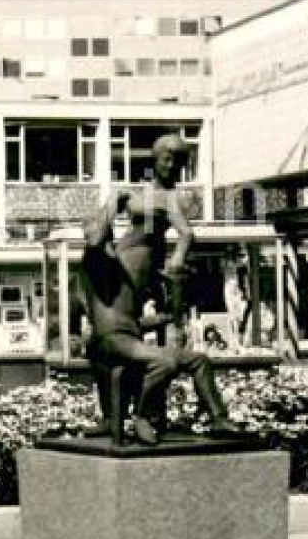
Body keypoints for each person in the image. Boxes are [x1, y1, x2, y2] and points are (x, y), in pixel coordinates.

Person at [79, 135, 238, 445]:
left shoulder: (166, 203)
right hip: (113, 339)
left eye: (177, 161)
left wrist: (169, 309)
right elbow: (98, 237)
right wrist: (114, 202)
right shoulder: (102, 262)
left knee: (199, 360)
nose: (170, 166)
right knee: (163, 360)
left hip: (126, 330)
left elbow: (186, 234)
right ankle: (138, 416)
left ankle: (219, 420)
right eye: (166, 158)